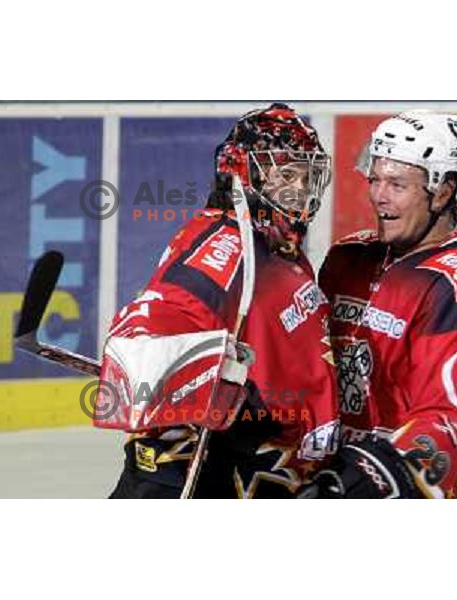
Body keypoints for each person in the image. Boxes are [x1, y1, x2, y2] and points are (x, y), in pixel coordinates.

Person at [100, 103, 340, 498]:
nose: (298, 189)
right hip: (215, 467)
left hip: (279, 470)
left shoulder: (278, 244)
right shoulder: (225, 242)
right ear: (242, 173)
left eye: (305, 175)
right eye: (285, 175)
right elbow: (161, 313)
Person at [301, 110, 457, 499]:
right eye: (375, 179)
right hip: (319, 472)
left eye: (397, 184)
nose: (379, 195)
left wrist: (372, 478)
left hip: (390, 488)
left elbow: (452, 417)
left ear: (444, 191)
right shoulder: (348, 257)